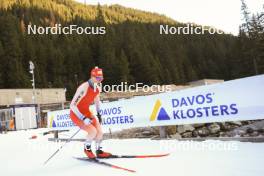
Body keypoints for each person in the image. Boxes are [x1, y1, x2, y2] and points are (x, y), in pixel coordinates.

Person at [70, 66, 111, 159]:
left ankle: (99, 151)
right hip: (76, 114)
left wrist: (99, 113)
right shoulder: (84, 87)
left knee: (100, 132)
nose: (100, 80)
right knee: (92, 131)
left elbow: (97, 100)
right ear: (92, 77)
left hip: (86, 112)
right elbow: (72, 105)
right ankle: (87, 149)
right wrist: (83, 118)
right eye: (98, 78)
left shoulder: (98, 86)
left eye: (101, 78)